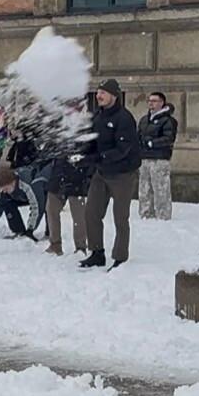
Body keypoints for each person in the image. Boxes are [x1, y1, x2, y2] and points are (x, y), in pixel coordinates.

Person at [81, 79, 141, 268]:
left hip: (123, 174)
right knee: (91, 212)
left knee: (120, 216)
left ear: (114, 96)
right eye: (98, 92)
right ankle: (97, 252)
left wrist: (99, 157)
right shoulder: (98, 117)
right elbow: (92, 141)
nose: (99, 96)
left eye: (103, 93)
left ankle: (120, 256)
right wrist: (83, 153)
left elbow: (123, 149)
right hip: (102, 173)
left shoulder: (124, 118)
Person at [138, 92, 178, 221]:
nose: (151, 103)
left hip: (160, 158)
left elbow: (168, 138)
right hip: (144, 158)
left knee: (161, 189)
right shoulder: (144, 120)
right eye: (149, 101)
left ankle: (163, 215)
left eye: (154, 101)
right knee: (144, 189)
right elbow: (138, 135)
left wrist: (152, 143)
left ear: (162, 103)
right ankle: (145, 214)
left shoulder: (168, 121)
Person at [0, 166, 39, 240]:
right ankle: (18, 231)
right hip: (18, 197)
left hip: (38, 194)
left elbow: (35, 206)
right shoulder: (2, 189)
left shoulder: (25, 185)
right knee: (5, 202)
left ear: (13, 182)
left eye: (6, 189)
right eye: (3, 190)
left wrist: (30, 229)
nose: (5, 191)